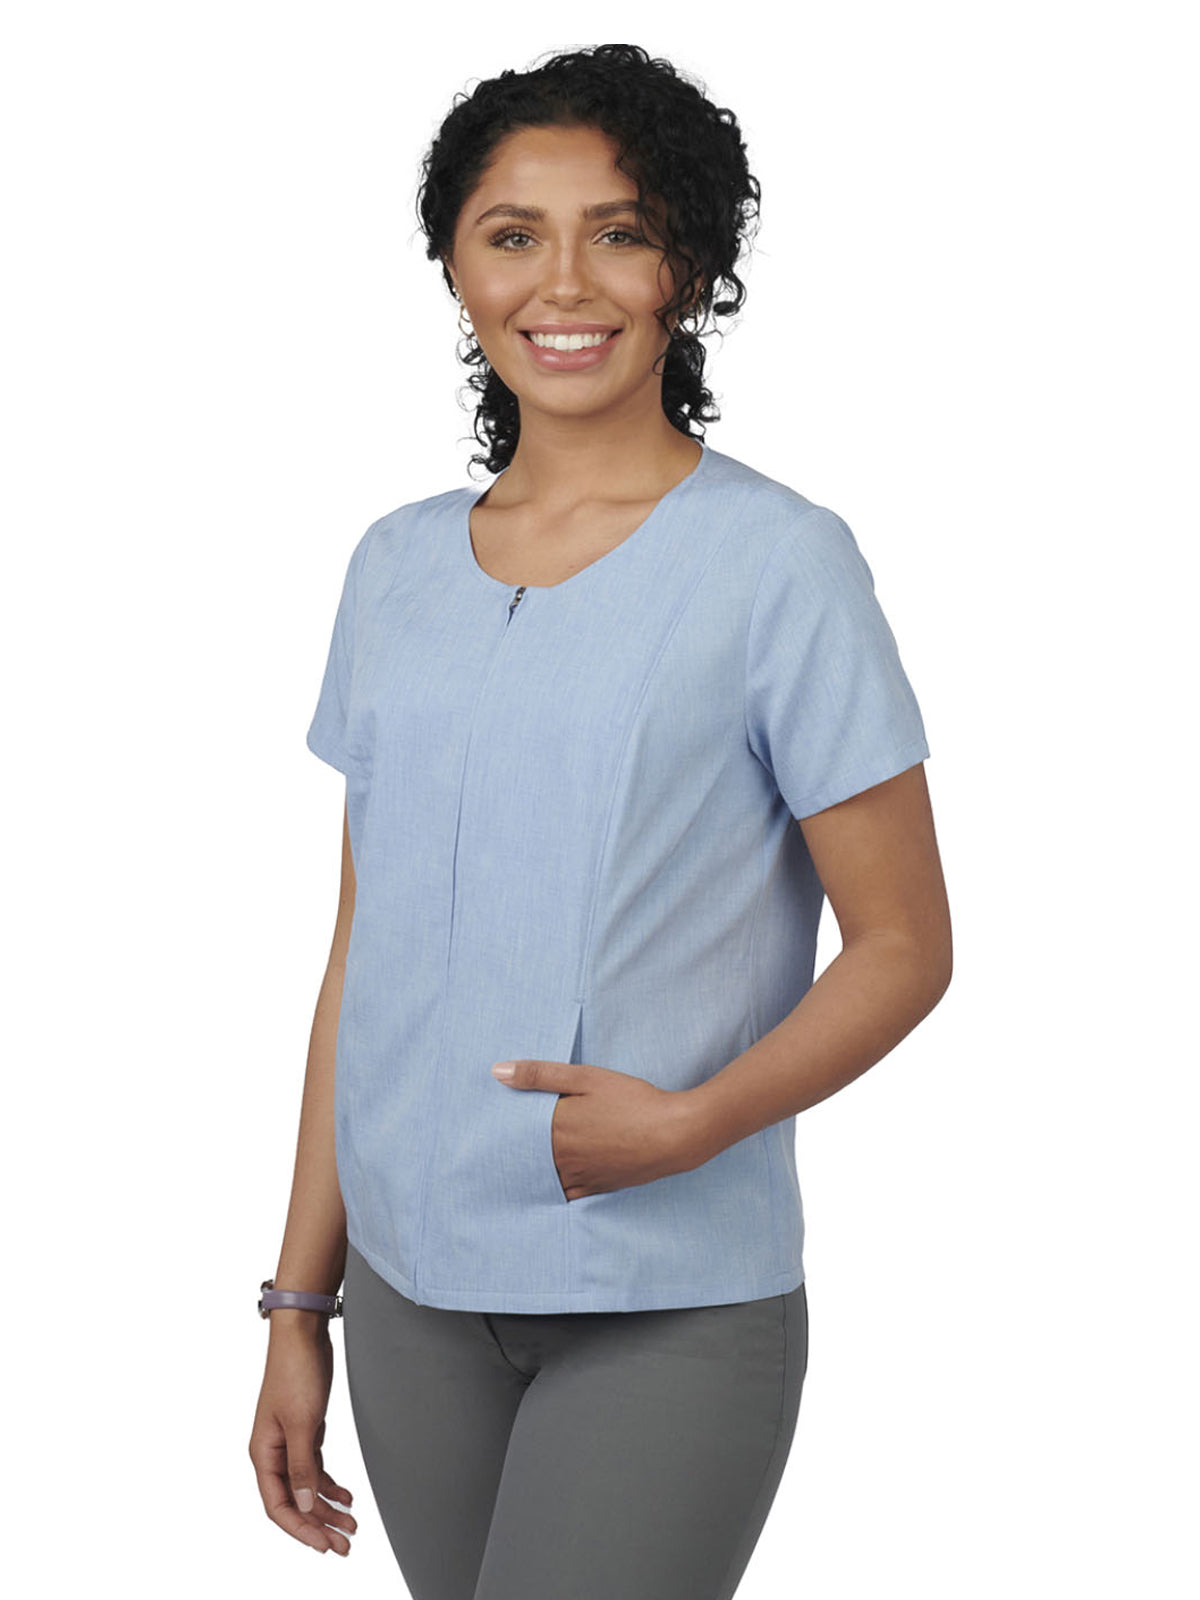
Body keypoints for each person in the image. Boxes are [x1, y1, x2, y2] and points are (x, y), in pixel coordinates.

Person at [248, 41, 952, 1600]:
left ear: (686, 269)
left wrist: (692, 1125)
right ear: (457, 269)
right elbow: (363, 954)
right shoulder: (394, 567)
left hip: (664, 1296)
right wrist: (299, 1302)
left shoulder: (778, 564)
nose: (563, 283)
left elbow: (906, 945)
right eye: (514, 235)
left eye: (618, 232)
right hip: (411, 1298)